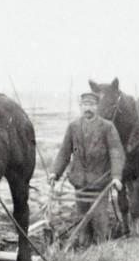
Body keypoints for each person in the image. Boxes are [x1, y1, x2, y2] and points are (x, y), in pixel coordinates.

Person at [51, 90, 126, 248]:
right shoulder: (73, 127)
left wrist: (116, 177)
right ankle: (83, 247)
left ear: (97, 106)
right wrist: (55, 173)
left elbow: (116, 153)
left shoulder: (107, 127)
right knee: (81, 219)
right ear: (80, 106)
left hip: (100, 183)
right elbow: (64, 152)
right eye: (85, 104)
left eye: (91, 104)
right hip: (80, 182)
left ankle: (102, 250)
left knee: (99, 219)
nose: (88, 108)